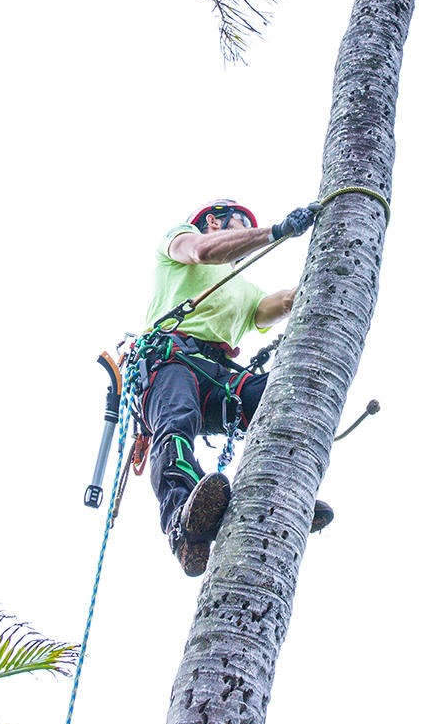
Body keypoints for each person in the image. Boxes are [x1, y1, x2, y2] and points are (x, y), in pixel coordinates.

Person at [142, 198, 333, 576]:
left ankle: (282, 490)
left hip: (217, 372)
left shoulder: (243, 290)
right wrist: (274, 232)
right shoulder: (181, 240)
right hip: (170, 358)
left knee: (278, 400)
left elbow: (277, 304)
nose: (245, 233)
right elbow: (203, 251)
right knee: (177, 422)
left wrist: (326, 272)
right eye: (239, 224)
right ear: (212, 221)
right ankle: (183, 519)